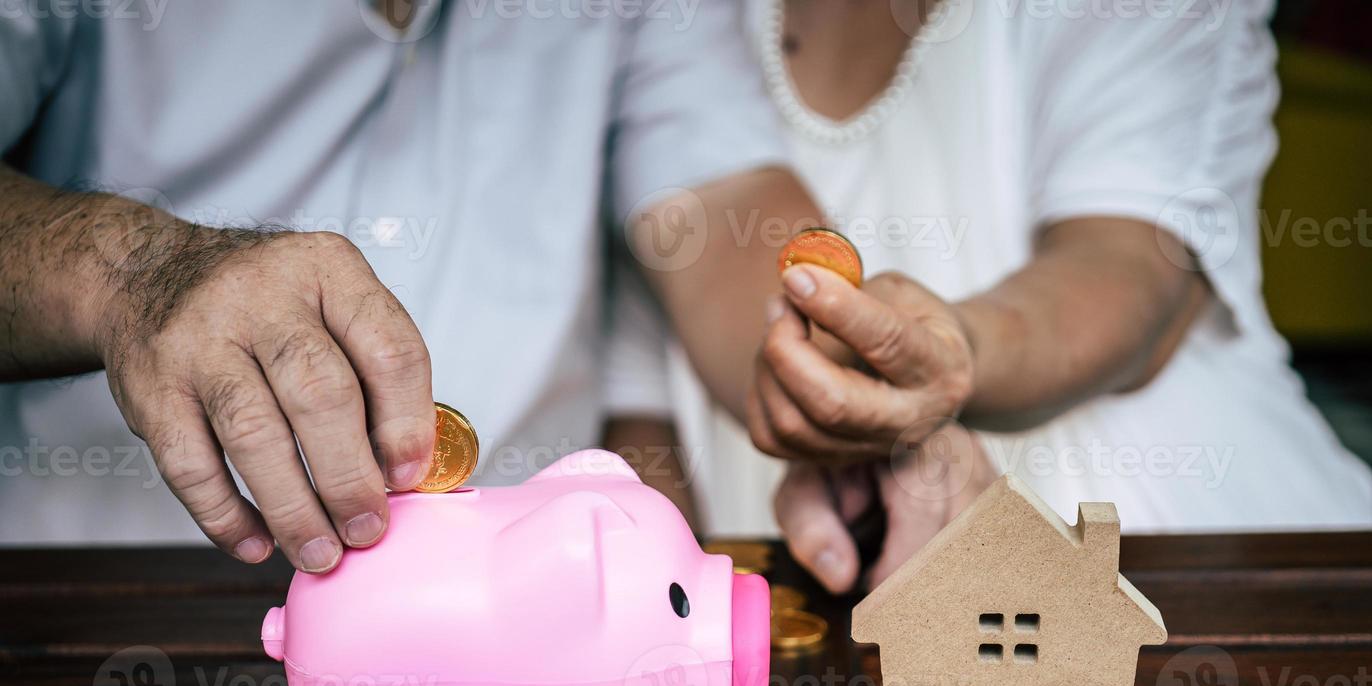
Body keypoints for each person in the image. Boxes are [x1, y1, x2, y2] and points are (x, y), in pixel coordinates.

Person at [0, 0, 817, 572]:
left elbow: (725, 199)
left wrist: (843, 350)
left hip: (525, 632)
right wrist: (135, 275)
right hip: (116, 611)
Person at [606, 0, 1372, 594]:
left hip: (1165, 556)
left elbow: (1124, 272)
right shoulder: (655, 27)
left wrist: (935, 359)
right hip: (803, 569)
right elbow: (687, 253)